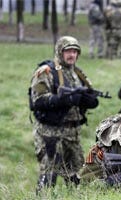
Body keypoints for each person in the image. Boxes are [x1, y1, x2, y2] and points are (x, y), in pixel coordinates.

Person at [29, 36, 99, 193]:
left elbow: (88, 95)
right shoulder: (46, 72)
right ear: (60, 52)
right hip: (50, 133)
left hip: (73, 134)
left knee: (79, 178)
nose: (72, 55)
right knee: (48, 177)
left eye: (75, 51)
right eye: (68, 51)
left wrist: (88, 100)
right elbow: (37, 101)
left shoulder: (77, 74)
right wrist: (61, 100)